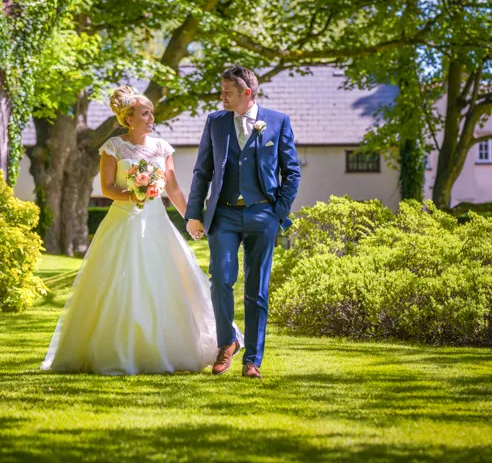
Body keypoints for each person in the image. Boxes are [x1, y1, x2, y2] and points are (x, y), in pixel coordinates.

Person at [41, 86, 241, 375]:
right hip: (123, 220)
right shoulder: (113, 147)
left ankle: (176, 346)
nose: (151, 118)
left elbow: (172, 188)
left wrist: (190, 218)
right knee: (121, 281)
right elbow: (108, 188)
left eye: (151, 113)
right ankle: (117, 349)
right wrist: (132, 195)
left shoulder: (162, 147)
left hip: (156, 221)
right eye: (145, 113)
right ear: (129, 118)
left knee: (167, 278)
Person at [185, 66, 301, 379]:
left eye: (227, 92)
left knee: (257, 289)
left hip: (262, 214)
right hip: (222, 214)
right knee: (221, 278)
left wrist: (277, 213)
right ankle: (227, 345)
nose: (221, 97)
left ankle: (253, 361)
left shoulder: (277, 121)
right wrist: (194, 213)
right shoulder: (216, 121)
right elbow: (202, 171)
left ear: (246, 93)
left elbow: (292, 172)